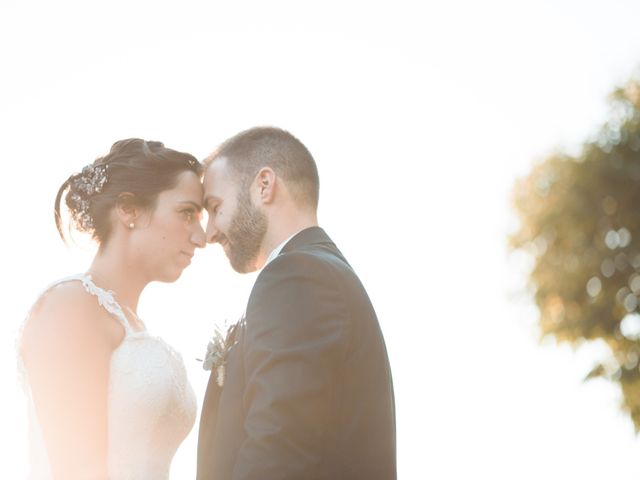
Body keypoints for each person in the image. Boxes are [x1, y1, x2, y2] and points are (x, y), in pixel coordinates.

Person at [197, 127, 396, 479]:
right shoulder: (317, 271)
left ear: (264, 185)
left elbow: (278, 451)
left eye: (215, 207)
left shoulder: (296, 276)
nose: (210, 232)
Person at [18, 138, 206, 479]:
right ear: (129, 209)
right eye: (187, 213)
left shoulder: (129, 323)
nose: (201, 236)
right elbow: (76, 470)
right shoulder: (70, 307)